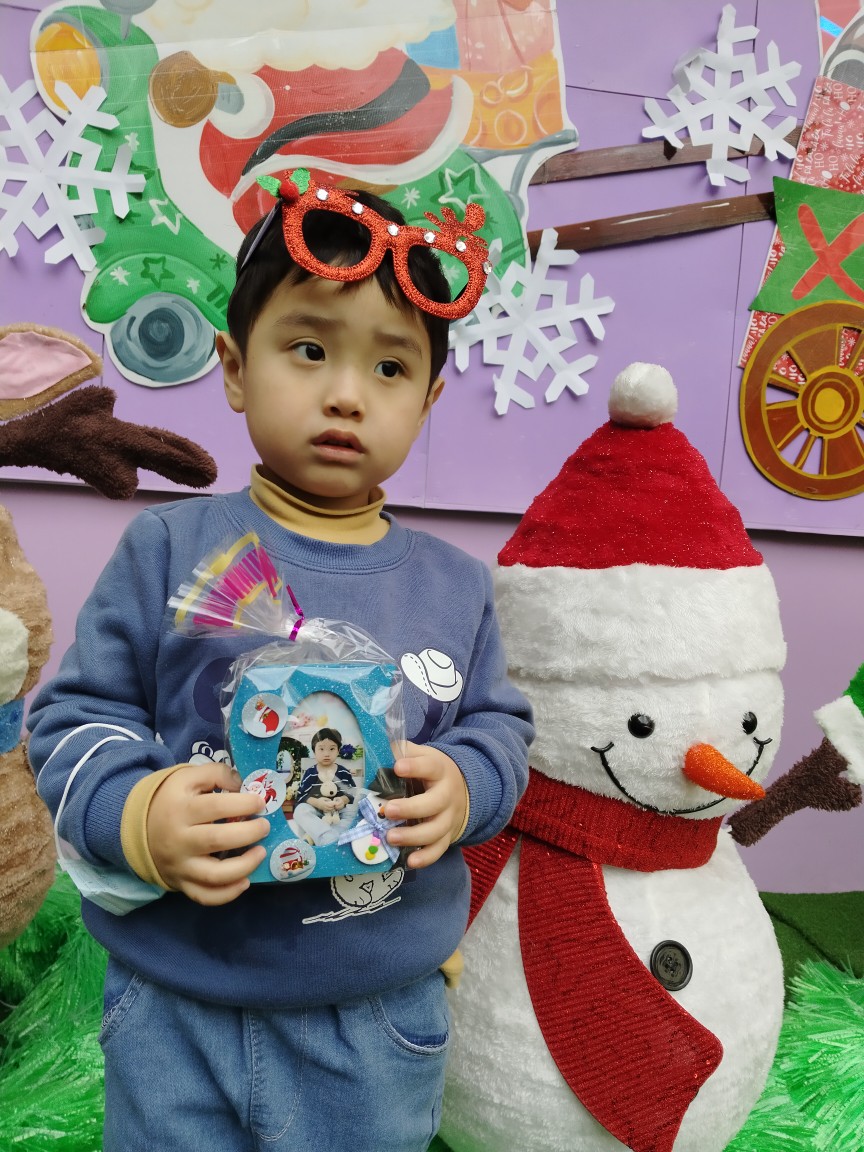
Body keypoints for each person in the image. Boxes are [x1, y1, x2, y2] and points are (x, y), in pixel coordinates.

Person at [27, 169, 533, 1152]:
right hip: (176, 1006)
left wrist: (465, 786)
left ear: (429, 400)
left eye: (390, 369)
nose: (346, 393)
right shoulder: (168, 549)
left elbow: (499, 730)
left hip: (373, 1019)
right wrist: (137, 815)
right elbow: (72, 723)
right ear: (233, 366)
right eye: (308, 349)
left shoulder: (455, 587)